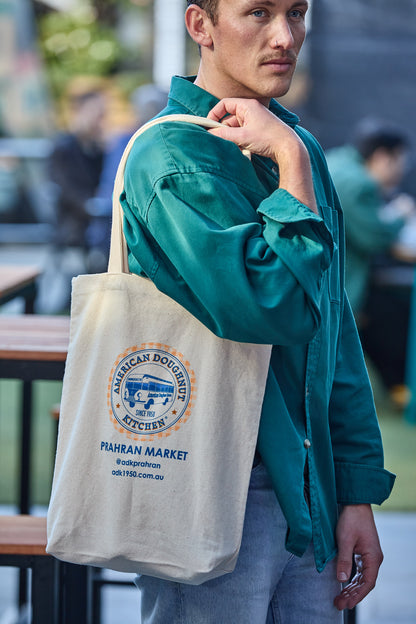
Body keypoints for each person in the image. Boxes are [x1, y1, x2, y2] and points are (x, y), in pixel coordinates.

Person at [120, 1, 395, 622]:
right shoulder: (174, 159)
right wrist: (292, 161)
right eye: (258, 12)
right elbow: (278, 308)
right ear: (200, 26)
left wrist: (354, 490)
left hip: (310, 483)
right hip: (209, 479)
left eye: (297, 12)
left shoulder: (290, 146)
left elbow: (333, 330)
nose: (285, 35)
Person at [327, 120, 416, 406]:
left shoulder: (338, 160)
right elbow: (374, 237)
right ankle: (401, 389)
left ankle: (397, 388)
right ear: (382, 157)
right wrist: (401, 214)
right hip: (336, 286)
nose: (402, 170)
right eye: (399, 161)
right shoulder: (358, 182)